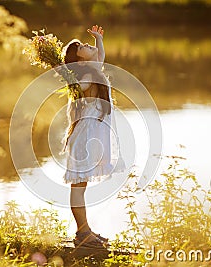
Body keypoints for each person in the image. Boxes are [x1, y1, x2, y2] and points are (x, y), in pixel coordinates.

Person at [62, 25, 125, 249]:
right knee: (78, 186)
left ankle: (84, 231)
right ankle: (83, 234)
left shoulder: (93, 69)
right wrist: (69, 77)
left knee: (82, 185)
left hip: (92, 136)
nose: (86, 44)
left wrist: (98, 39)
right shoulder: (87, 75)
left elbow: (100, 56)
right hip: (86, 138)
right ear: (80, 62)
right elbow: (83, 84)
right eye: (81, 47)